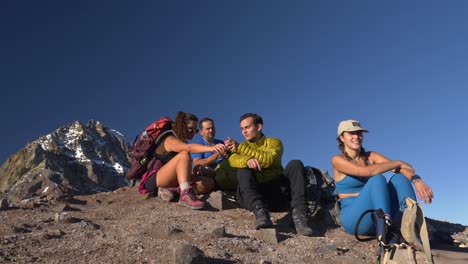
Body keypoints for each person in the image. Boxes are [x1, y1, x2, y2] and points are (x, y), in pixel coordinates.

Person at [331, 119, 434, 236]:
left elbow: (402, 169)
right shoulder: (337, 160)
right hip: (354, 218)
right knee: (377, 179)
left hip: (376, 212)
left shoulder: (371, 156)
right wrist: (398, 162)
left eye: (359, 133)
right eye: (351, 133)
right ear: (342, 138)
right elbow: (365, 171)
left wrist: (417, 180)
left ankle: (414, 224)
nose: (357, 136)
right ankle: (384, 228)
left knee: (399, 178)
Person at [223, 113, 313, 236]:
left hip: (276, 192)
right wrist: (247, 160)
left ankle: (299, 216)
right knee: (243, 169)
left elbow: (269, 159)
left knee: (295, 164)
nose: (244, 131)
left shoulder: (273, 142)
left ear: (259, 127)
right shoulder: (240, 146)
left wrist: (242, 150)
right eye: (242, 129)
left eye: (247, 127)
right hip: (253, 194)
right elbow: (233, 160)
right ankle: (261, 213)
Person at [140, 111, 226, 210]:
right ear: (181, 126)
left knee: (208, 182)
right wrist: (212, 148)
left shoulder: (183, 142)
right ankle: (185, 195)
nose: (193, 133)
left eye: (195, 130)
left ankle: (171, 191)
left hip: (171, 180)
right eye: (190, 129)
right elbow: (189, 148)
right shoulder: (170, 139)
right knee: (184, 154)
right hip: (154, 180)